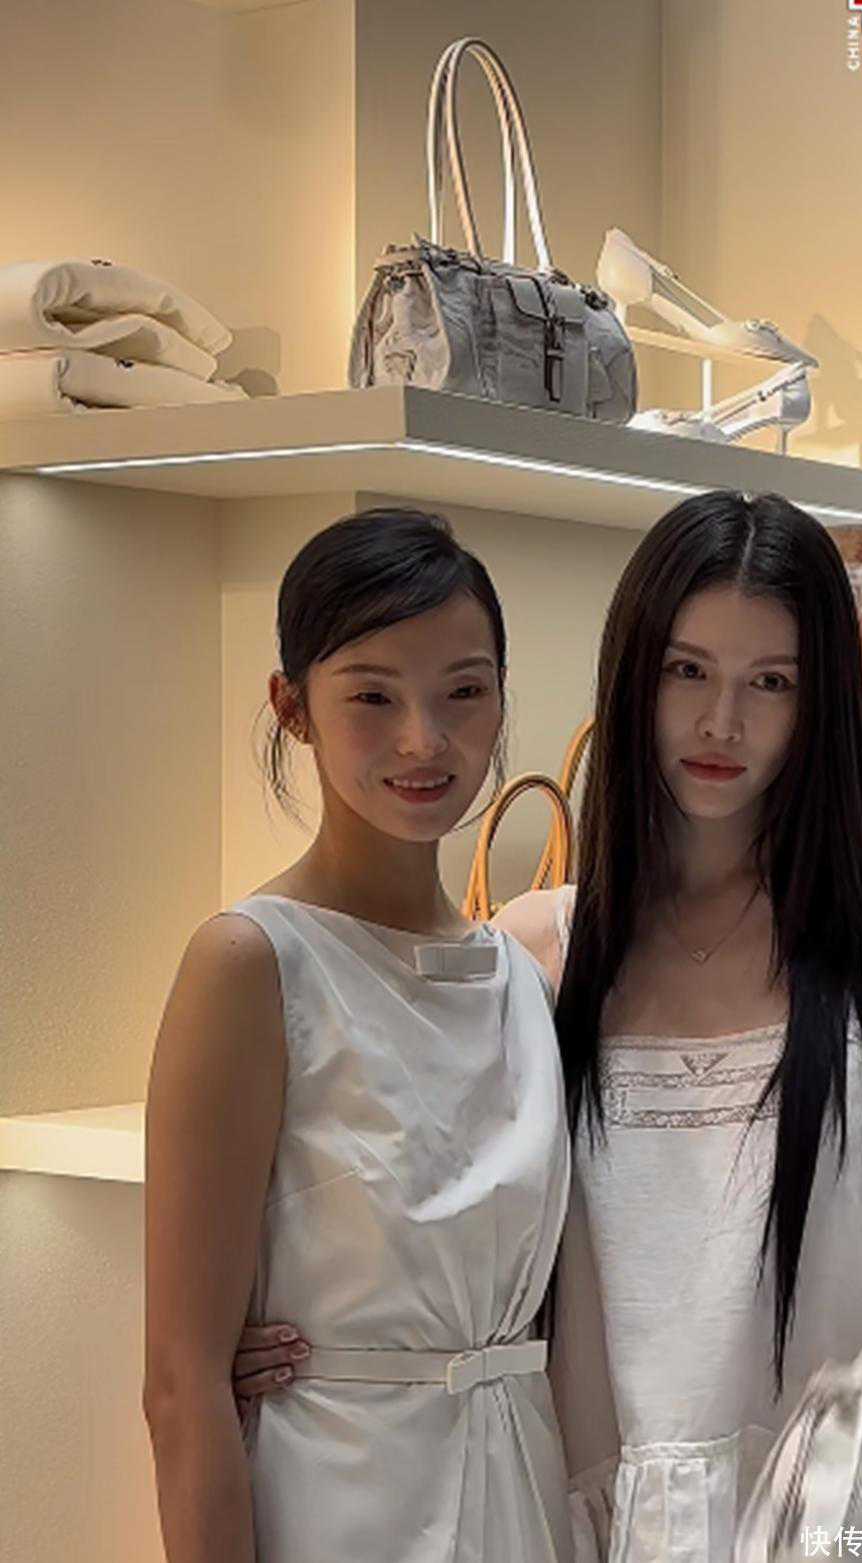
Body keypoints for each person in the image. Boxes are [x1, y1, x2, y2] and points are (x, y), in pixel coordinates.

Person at [233, 491, 862, 1558]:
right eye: (687, 671)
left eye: (770, 682)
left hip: (854, 1524)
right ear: (634, 676)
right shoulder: (539, 951)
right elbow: (437, 1226)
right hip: (593, 1525)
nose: (722, 722)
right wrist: (307, 1344)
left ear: (817, 702)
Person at [142, 509, 574, 1563]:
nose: (424, 740)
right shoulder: (252, 963)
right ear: (292, 707)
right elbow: (181, 1384)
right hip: (339, 1494)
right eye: (373, 697)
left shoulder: (522, 981)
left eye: (463, 692)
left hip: (520, 1483)